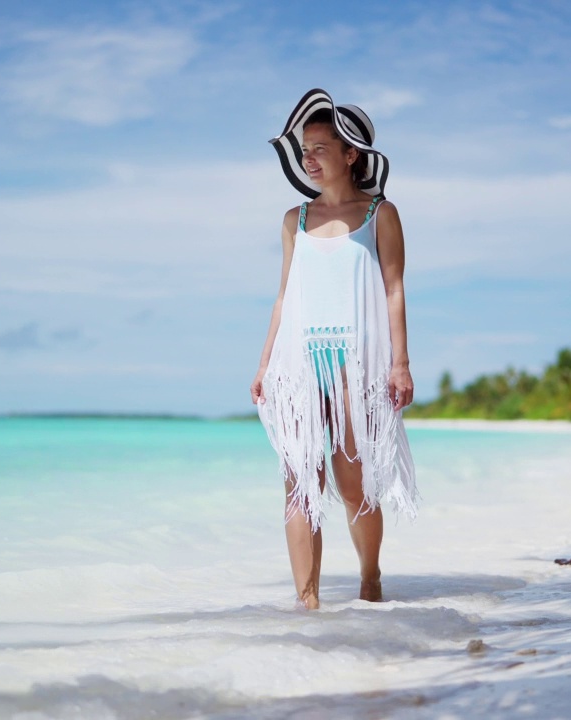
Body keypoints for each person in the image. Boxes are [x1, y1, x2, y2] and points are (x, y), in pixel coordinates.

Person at [250, 89, 418, 609]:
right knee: (299, 483)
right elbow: (283, 295)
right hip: (297, 365)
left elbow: (394, 288)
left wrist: (401, 363)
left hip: (355, 362)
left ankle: (369, 579)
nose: (309, 158)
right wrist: (263, 364)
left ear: (350, 154)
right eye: (305, 150)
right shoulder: (293, 220)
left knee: (352, 485)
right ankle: (308, 605)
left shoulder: (379, 214)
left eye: (321, 148)